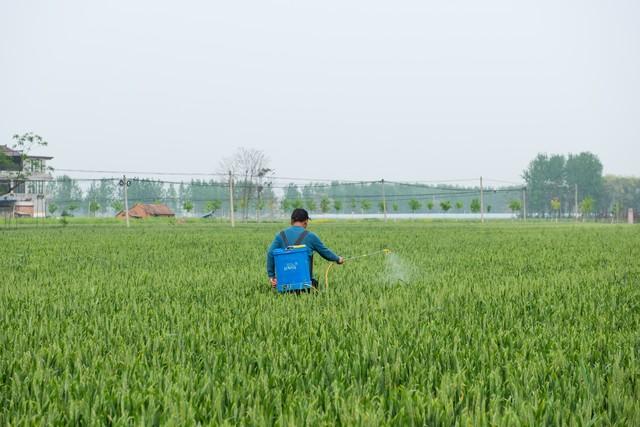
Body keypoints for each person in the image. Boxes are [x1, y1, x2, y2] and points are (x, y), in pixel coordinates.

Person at [266, 208, 344, 289]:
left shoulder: (280, 236)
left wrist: (272, 277)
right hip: (306, 285)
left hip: (284, 285)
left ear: (291, 221)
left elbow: (270, 253)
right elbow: (325, 252)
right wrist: (338, 259)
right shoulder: (311, 236)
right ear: (306, 221)